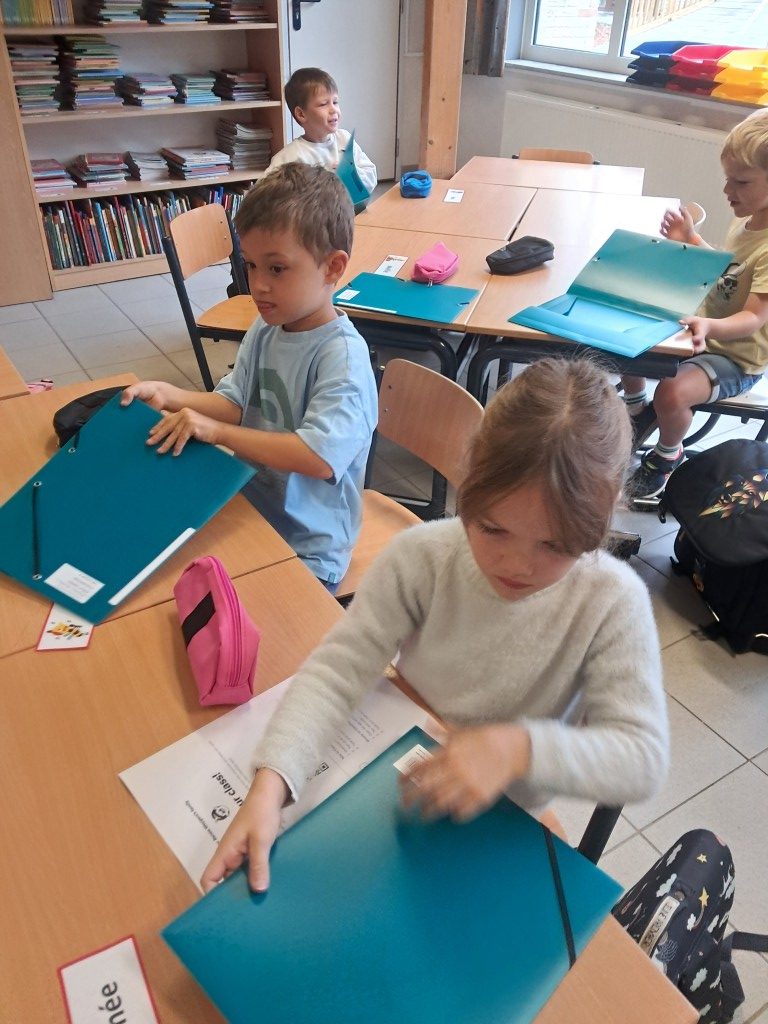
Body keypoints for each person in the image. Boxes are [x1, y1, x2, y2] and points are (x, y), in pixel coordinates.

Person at [201, 358, 669, 895]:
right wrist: (271, 783)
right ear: (469, 485)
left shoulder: (612, 601)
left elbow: (643, 759)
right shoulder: (424, 556)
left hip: (504, 821)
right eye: (492, 528)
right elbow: (338, 670)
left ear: (599, 524)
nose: (516, 564)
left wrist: (517, 749)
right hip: (400, 778)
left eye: (555, 545)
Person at [121, 163, 378, 591]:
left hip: (307, 548)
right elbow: (236, 403)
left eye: (276, 269)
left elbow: (317, 457)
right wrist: (171, 395)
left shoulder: (343, 360)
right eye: (250, 265)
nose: (257, 285)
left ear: (333, 267)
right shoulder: (268, 326)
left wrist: (216, 432)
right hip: (248, 507)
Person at [623, 109, 768, 501]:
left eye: (741, 182)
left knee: (671, 394)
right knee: (626, 335)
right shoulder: (750, 219)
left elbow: (754, 318)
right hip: (703, 330)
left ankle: (667, 454)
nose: (727, 190)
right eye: (727, 178)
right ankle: (635, 410)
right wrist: (692, 240)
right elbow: (729, 269)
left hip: (736, 356)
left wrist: (709, 327)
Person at [264, 67, 377, 197]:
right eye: (323, 104)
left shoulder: (344, 140)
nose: (333, 110)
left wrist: (350, 175)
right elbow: (262, 193)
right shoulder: (291, 156)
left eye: (335, 102)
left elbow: (371, 175)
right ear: (301, 114)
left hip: (348, 209)